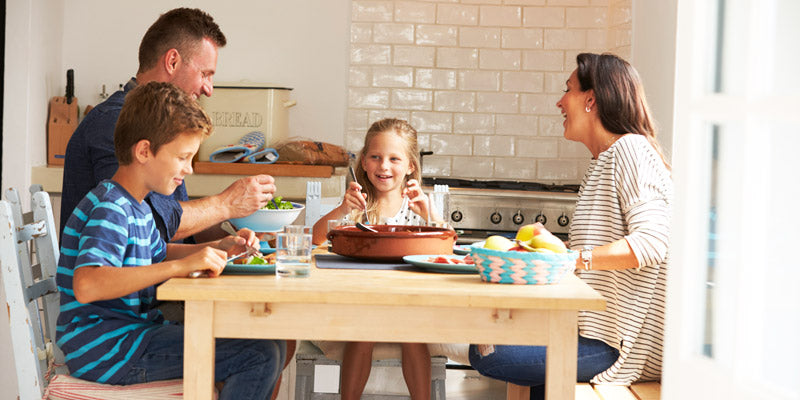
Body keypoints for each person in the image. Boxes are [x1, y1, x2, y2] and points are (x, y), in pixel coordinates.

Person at [55, 81, 286, 399]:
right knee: (258, 355)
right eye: (182, 157)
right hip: (110, 352)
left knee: (268, 343)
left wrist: (217, 247)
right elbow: (88, 284)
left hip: (125, 340)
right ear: (144, 151)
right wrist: (182, 267)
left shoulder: (134, 204)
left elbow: (157, 253)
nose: (188, 169)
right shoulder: (112, 207)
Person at [468, 52, 672, 399]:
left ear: (591, 99)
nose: (560, 102)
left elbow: (652, 243)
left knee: (490, 351)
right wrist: (557, 252)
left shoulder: (631, 150)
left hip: (620, 345)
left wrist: (572, 258)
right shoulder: (603, 161)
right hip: (597, 331)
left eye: (568, 90)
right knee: (502, 346)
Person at [60, 7, 275, 244]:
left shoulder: (159, 124)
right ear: (172, 61)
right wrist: (226, 203)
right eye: (205, 74)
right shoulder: (115, 122)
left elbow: (167, 232)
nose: (209, 89)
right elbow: (150, 224)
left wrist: (235, 228)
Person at [311, 118, 436, 400]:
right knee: (364, 326)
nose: (383, 166)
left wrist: (431, 217)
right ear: (364, 162)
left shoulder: (418, 206)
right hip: (362, 299)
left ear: (410, 166)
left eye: (394, 159)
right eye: (375, 157)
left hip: (409, 301)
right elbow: (316, 238)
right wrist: (342, 209)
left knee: (412, 330)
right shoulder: (357, 205)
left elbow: (447, 242)